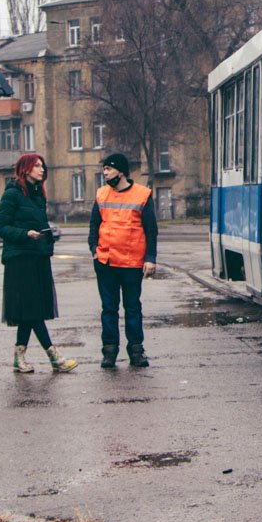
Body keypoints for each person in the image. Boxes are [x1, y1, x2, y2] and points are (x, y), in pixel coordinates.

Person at [0, 153, 77, 374]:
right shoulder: (12, 194)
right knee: (32, 310)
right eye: (38, 166)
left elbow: (40, 223)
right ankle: (54, 357)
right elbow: (1, 227)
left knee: (29, 310)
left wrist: (45, 239)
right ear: (26, 169)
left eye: (43, 166)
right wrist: (25, 234)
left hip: (37, 257)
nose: (42, 170)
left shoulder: (38, 195)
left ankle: (19, 357)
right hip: (20, 260)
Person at [89, 152, 158, 369]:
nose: (105, 173)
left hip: (131, 263)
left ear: (120, 171)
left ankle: (136, 351)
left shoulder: (142, 195)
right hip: (106, 262)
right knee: (108, 308)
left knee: (132, 308)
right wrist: (94, 250)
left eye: (108, 169)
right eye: (104, 170)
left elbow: (151, 230)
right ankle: (109, 352)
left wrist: (150, 258)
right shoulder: (102, 194)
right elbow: (93, 226)